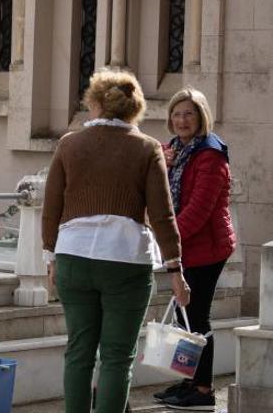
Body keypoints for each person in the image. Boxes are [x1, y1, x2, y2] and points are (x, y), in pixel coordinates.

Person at [42, 69, 190, 413]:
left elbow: (51, 208)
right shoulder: (147, 148)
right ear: (134, 108)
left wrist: (50, 256)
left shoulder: (69, 144)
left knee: (79, 351)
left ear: (94, 102)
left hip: (74, 256)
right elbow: (162, 214)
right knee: (117, 357)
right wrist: (175, 269)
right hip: (126, 259)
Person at [154, 88, 235, 411]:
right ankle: (189, 381)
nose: (182, 120)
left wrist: (167, 239)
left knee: (197, 316)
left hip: (208, 247)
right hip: (186, 246)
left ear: (201, 117)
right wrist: (162, 160)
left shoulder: (210, 155)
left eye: (189, 113)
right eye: (176, 114)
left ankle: (203, 390)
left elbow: (199, 210)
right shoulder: (175, 149)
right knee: (184, 317)